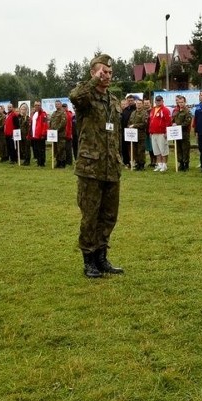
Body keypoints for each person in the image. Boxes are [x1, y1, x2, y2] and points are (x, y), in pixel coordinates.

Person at [68, 53, 124, 278]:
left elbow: (115, 134)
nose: (107, 76)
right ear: (93, 72)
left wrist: (119, 158)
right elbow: (75, 96)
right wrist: (93, 81)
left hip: (111, 166)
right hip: (91, 167)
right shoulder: (86, 97)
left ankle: (102, 256)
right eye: (103, 72)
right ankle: (88, 260)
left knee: (109, 215)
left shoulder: (113, 100)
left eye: (110, 72)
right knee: (90, 215)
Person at [148, 95, 172, 172]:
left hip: (161, 133)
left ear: (162, 101)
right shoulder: (153, 109)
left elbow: (168, 122)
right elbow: (150, 122)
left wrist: (166, 132)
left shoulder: (165, 110)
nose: (158, 102)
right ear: (155, 101)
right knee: (156, 150)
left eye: (160, 100)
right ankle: (159, 164)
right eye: (157, 101)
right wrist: (150, 131)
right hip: (153, 133)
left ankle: (164, 165)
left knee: (163, 150)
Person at [172, 95, 193, 172]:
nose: (180, 104)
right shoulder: (176, 111)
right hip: (176, 133)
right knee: (178, 149)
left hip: (184, 133)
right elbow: (173, 120)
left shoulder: (187, 111)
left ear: (185, 102)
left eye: (182, 102)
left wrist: (178, 126)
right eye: (179, 102)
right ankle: (180, 163)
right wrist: (173, 124)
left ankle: (186, 164)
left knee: (185, 149)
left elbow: (187, 122)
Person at [128, 98, 149, 171]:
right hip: (133, 135)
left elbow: (144, 124)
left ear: (142, 104)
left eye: (140, 103)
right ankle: (137, 163)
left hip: (141, 134)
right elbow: (129, 122)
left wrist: (134, 126)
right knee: (135, 150)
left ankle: (142, 164)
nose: (138, 105)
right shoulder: (133, 113)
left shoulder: (145, 113)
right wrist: (129, 127)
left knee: (141, 150)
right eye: (137, 103)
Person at [50, 101, 68, 168]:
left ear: (60, 105)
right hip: (54, 135)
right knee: (56, 149)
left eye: (58, 104)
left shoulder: (63, 112)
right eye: (56, 104)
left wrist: (57, 130)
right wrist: (51, 129)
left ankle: (62, 163)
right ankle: (58, 162)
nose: (57, 105)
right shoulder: (54, 113)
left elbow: (63, 123)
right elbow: (51, 122)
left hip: (60, 134)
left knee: (61, 148)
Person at [120, 94, 136, 167]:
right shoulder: (125, 110)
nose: (130, 102)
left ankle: (134, 161)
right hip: (124, 131)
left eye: (131, 100)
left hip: (133, 131)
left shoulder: (136, 109)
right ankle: (126, 162)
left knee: (133, 147)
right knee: (125, 147)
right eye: (129, 100)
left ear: (134, 101)